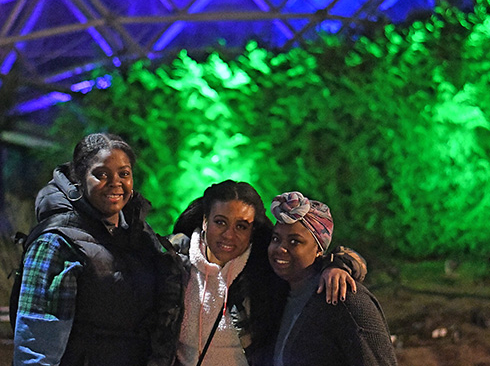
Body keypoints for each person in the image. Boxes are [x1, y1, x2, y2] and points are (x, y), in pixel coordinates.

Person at [149, 180, 368, 366]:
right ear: (205, 221)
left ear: (253, 230)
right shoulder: (174, 260)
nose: (229, 235)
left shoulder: (265, 266)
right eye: (220, 222)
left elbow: (316, 259)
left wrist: (338, 265)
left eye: (241, 226)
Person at [13, 133, 178, 366]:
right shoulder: (56, 244)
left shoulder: (142, 240)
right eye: (101, 174)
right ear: (80, 179)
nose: (115, 182)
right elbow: (35, 348)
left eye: (124, 173)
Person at [267, 191, 398, 366]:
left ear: (319, 249)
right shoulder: (279, 295)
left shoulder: (343, 298)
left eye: (294, 241)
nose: (280, 249)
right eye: (276, 238)